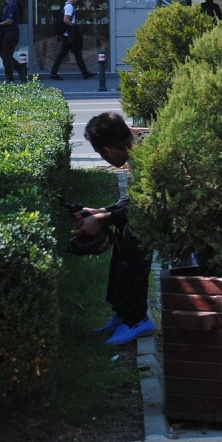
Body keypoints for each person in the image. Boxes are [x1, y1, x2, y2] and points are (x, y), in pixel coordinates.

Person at [73, 112, 155, 346]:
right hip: (160, 211)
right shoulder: (139, 147)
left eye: (100, 154)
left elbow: (146, 207)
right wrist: (101, 212)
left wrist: (104, 218)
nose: (103, 157)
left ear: (107, 150)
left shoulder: (149, 157)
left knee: (134, 231)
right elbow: (135, 201)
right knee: (124, 228)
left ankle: (137, 320)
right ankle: (123, 314)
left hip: (185, 219)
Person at [49, 0, 95, 81]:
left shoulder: (65, 6)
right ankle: (54, 73)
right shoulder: (69, 6)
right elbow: (66, 20)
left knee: (74, 54)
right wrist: (74, 26)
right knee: (71, 54)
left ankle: (84, 72)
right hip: (69, 35)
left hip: (68, 34)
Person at [0, 0, 27, 83]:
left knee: (6, 55)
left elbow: (9, 21)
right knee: (4, 54)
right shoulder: (7, 5)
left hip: (11, 34)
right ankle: (20, 69)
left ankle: (10, 77)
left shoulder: (11, 5)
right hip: (7, 34)